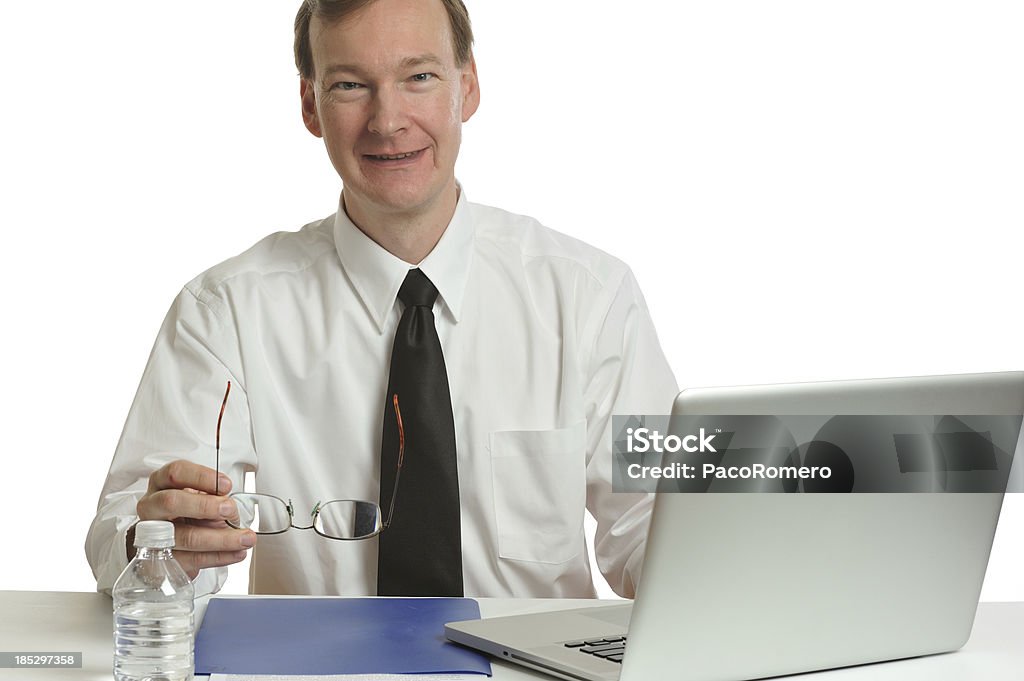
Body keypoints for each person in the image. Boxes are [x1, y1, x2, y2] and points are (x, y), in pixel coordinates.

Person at [86, 0, 677, 598]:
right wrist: (160, 542)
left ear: (467, 87)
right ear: (310, 105)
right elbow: (121, 533)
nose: (388, 120)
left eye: (419, 76)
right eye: (349, 85)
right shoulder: (225, 313)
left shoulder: (589, 298)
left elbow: (657, 524)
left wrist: (732, 539)